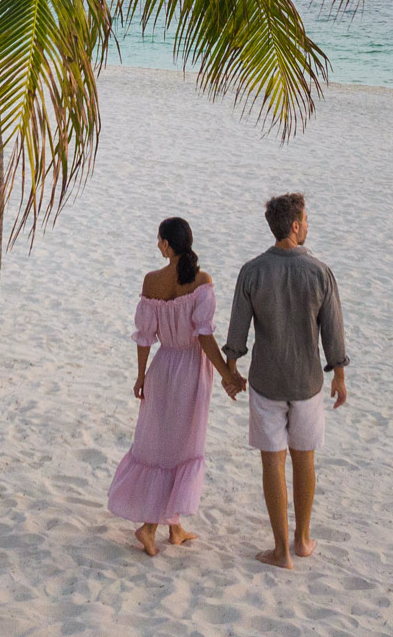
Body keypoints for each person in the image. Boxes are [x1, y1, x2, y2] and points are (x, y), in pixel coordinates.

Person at [221, 191, 349, 570]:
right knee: (304, 458)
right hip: (307, 382)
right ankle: (303, 541)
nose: (308, 225)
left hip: (266, 381)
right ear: (294, 226)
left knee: (272, 462)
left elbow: (236, 333)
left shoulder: (253, 271)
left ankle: (280, 550)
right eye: (306, 220)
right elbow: (334, 332)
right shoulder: (320, 272)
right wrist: (339, 375)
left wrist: (231, 371)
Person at [107, 216, 238, 556]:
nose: (157, 245)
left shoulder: (152, 282)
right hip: (192, 369)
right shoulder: (201, 282)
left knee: (160, 444)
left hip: (163, 366)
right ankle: (149, 526)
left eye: (158, 240)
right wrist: (226, 374)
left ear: (166, 244)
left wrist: (140, 376)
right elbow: (205, 336)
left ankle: (174, 527)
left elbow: (144, 338)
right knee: (181, 448)